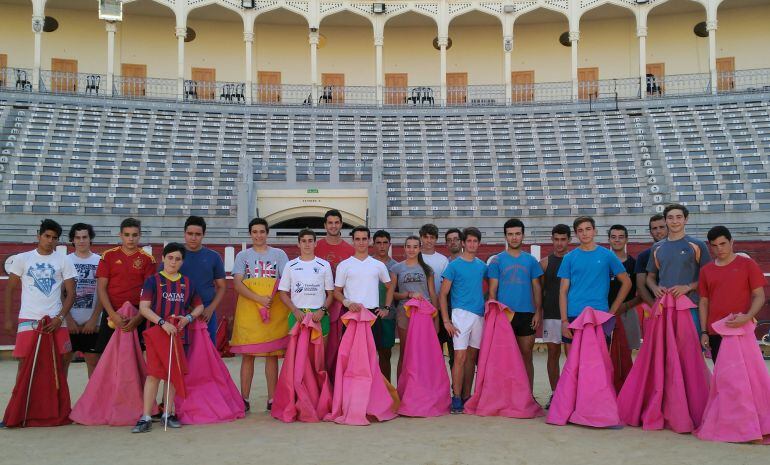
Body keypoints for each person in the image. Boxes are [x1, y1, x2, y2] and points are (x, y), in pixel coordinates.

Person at [132, 243, 204, 433]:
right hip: (156, 334)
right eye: (170, 257)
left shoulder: (187, 282)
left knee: (173, 375)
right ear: (163, 258)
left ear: (182, 261)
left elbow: (199, 306)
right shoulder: (152, 281)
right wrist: (163, 323)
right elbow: (144, 308)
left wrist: (188, 318)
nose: (173, 262)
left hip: (178, 335)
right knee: (154, 375)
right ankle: (146, 415)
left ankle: (168, 413)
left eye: (177, 259)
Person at [232, 218, 289, 413]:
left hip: (274, 307)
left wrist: (268, 300)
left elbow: (285, 281)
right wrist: (259, 298)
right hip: (249, 309)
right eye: (255, 232)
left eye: (262, 232)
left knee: (271, 355)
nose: (258, 235)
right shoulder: (242, 255)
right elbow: (238, 284)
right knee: (248, 355)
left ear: (267, 233)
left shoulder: (279, 254)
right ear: (250, 234)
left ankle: (272, 399)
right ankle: (244, 398)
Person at [3, 219, 76, 372]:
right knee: (24, 362)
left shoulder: (64, 260)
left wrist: (60, 318)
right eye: (47, 236)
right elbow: (9, 290)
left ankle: (56, 396)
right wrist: (8, 319)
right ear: (39, 236)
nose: (50, 241)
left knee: (62, 359)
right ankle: (22, 396)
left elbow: (71, 294)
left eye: (54, 238)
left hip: (55, 318)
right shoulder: (22, 258)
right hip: (29, 317)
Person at [488, 219, 543, 392]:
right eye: (510, 234)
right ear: (505, 236)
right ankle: (505, 395)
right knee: (503, 358)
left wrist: (537, 312)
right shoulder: (497, 261)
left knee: (526, 356)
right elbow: (492, 291)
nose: (514, 237)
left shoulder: (531, 261)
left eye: (517, 234)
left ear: (523, 235)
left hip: (526, 313)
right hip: (505, 314)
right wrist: (494, 314)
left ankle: (527, 395)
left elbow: (536, 287)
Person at [559, 217, 631, 348]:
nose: (584, 233)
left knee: (600, 363)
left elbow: (627, 283)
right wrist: (564, 321)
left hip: (600, 314)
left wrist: (612, 311)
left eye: (588, 229)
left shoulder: (607, 255)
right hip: (574, 314)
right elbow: (563, 291)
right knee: (573, 363)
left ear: (595, 231)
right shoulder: (569, 258)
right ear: (576, 234)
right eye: (580, 230)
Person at [698, 226, 766, 362]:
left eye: (723, 244)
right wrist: (704, 332)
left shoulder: (747, 264)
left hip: (741, 327)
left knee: (744, 375)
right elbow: (703, 303)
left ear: (731, 242)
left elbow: (759, 295)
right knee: (723, 376)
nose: (719, 249)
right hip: (716, 330)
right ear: (710, 246)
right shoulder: (706, 270)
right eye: (714, 246)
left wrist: (748, 316)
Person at [440, 227, 487, 414]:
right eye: (469, 241)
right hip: (459, 315)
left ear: (479, 244)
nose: (472, 244)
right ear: (463, 243)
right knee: (459, 357)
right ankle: (456, 397)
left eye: (475, 241)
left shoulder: (483, 266)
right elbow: (443, 295)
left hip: (479, 316)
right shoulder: (453, 266)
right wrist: (446, 321)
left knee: (471, 358)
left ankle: (467, 396)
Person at [94, 218, 156, 355]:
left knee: (133, 358)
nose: (131, 239)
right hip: (112, 311)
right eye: (127, 235)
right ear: (120, 235)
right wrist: (112, 315)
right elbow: (101, 288)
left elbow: (150, 293)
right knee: (107, 356)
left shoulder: (147, 259)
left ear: (139, 235)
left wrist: (138, 318)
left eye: (135, 235)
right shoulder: (108, 256)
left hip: (136, 313)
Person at [333, 226, 393, 370]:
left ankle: (372, 390)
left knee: (373, 356)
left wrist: (386, 308)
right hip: (352, 315)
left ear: (369, 241)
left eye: (364, 239)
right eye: (357, 239)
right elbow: (336, 292)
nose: (361, 242)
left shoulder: (378, 265)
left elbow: (389, 286)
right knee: (352, 355)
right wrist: (347, 302)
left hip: (372, 315)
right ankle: (353, 390)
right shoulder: (344, 265)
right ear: (352, 241)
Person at [646, 204, 712, 334]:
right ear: (665, 221)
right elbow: (650, 277)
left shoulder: (698, 245)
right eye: (670, 218)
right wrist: (655, 288)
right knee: (666, 349)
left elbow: (708, 278)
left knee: (690, 350)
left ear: (686, 219)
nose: (675, 221)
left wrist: (688, 287)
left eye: (679, 217)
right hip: (664, 306)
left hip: (691, 305)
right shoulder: (657, 247)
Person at [163, 216, 226, 344]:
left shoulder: (213, 257)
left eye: (197, 234)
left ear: (204, 234)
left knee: (207, 352)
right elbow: (162, 283)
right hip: (178, 311)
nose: (193, 237)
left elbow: (222, 286)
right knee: (180, 353)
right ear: (184, 233)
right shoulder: (174, 256)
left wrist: (210, 309)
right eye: (190, 233)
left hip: (206, 313)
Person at [387, 235, 438, 378]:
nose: (411, 249)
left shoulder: (427, 269)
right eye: (408, 246)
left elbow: (433, 294)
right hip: (405, 312)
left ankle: (421, 389)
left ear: (420, 248)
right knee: (405, 350)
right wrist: (408, 294)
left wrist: (437, 318)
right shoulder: (396, 268)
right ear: (404, 248)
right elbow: (393, 294)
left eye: (415, 247)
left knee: (423, 352)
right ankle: (402, 391)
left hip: (424, 314)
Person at [278, 228, 334, 342]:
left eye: (310, 241)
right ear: (298, 244)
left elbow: (331, 294)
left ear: (315, 243)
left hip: (319, 315)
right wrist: (295, 310)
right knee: (298, 356)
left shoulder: (324, 265)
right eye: (303, 241)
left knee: (319, 357)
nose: (307, 244)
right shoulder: (290, 265)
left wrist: (322, 310)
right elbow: (282, 293)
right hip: (298, 315)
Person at [539, 224, 571, 408]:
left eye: (563, 239)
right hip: (551, 314)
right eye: (556, 239)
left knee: (571, 356)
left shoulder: (575, 260)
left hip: (571, 315)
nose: (559, 243)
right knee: (553, 354)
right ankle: (555, 394)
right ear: (552, 239)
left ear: (569, 240)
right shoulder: (544, 263)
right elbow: (540, 291)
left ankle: (570, 394)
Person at [66, 223, 102, 377]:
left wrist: (94, 320)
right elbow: (59, 294)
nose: (81, 241)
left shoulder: (100, 261)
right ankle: (62, 402)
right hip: (68, 323)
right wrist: (68, 320)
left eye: (84, 237)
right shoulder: (64, 260)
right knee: (62, 363)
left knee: (94, 364)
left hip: (92, 324)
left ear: (90, 239)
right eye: (77, 237)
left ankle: (93, 402)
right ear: (72, 240)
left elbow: (103, 293)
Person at [607, 225, 642, 350]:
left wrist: (625, 306)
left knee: (627, 351)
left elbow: (642, 294)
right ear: (609, 240)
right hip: (604, 310)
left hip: (627, 311)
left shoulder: (635, 264)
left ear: (627, 239)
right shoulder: (602, 262)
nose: (617, 240)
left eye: (621, 237)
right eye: (613, 237)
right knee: (604, 350)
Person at [372, 230, 398, 382]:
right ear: (373, 244)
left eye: (385, 243)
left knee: (385, 354)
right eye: (378, 243)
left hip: (388, 315)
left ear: (389, 244)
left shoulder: (396, 267)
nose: (382, 246)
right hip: (368, 313)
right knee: (366, 355)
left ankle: (387, 390)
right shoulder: (366, 263)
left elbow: (397, 292)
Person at [439, 227, 463, 368]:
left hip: (464, 311)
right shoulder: (444, 263)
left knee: (464, 354)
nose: (452, 242)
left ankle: (460, 389)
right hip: (445, 311)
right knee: (451, 354)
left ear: (462, 242)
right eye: (449, 240)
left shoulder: (472, 261)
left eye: (455, 239)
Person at [635, 214, 668, 306]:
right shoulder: (643, 256)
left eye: (662, 227)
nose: (658, 231)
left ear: (668, 228)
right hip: (656, 305)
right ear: (650, 232)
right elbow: (640, 286)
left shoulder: (683, 250)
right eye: (654, 228)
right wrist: (654, 306)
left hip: (682, 303)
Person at [419, 224, 448, 296]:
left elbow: (445, 285)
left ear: (436, 239)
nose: (429, 240)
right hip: (418, 302)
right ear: (421, 238)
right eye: (426, 237)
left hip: (437, 302)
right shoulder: (414, 257)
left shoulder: (443, 260)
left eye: (432, 237)